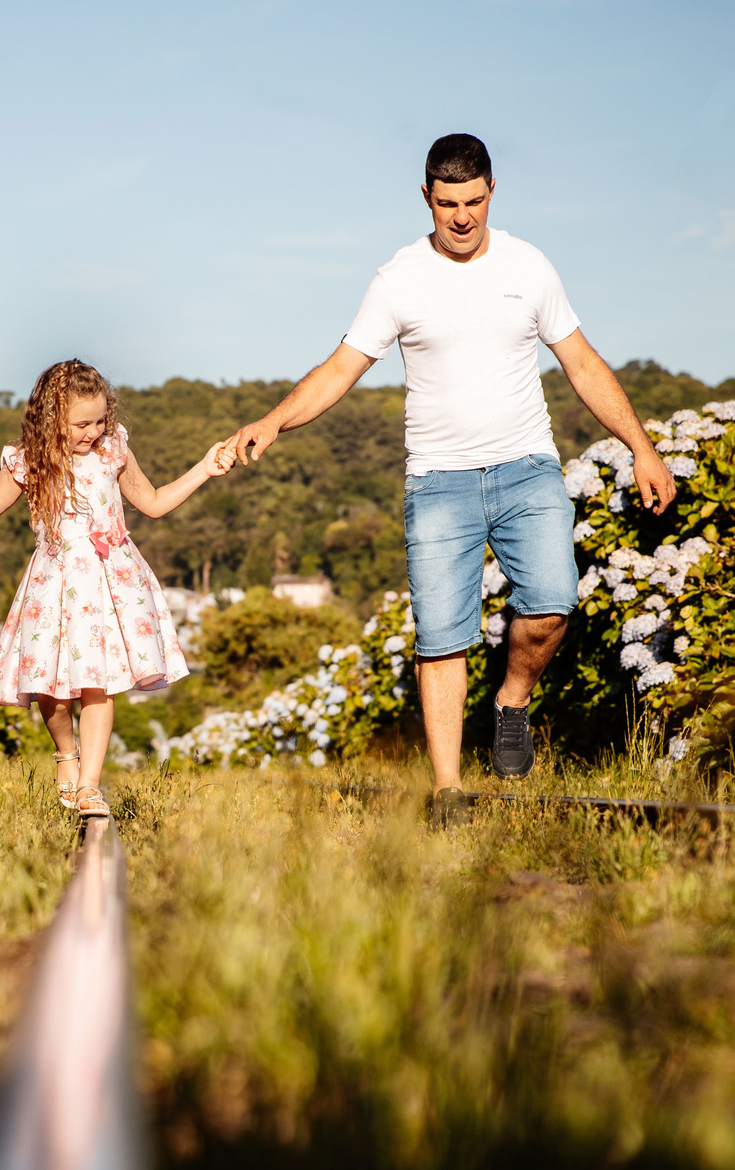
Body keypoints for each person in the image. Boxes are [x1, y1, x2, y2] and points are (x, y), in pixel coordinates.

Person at [228, 132, 677, 823]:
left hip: (527, 467)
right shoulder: (398, 279)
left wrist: (641, 446)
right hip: (439, 482)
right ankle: (447, 791)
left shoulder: (530, 267)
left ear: (492, 191)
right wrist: (274, 421)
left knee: (553, 603)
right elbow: (340, 369)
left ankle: (511, 700)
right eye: (447, 204)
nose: (462, 217)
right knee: (441, 636)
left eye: (473, 201)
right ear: (425, 197)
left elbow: (582, 364)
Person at [0, 357, 234, 820]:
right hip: (54, 585)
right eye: (81, 423)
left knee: (98, 686)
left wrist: (203, 468)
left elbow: (153, 503)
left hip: (112, 584)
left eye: (100, 419)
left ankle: (90, 786)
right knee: (52, 693)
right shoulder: (28, 461)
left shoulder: (114, 450)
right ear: (51, 418)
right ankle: (67, 755)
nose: (92, 431)